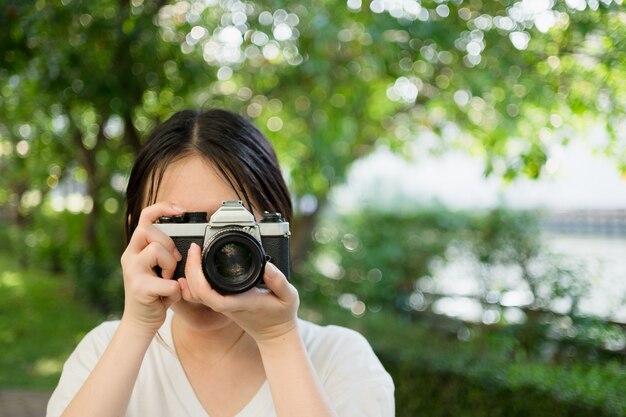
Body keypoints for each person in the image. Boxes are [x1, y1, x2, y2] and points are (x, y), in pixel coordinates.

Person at [46, 109, 394, 417]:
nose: (208, 258)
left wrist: (278, 337)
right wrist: (137, 327)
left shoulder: (341, 360)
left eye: (230, 233)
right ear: (137, 232)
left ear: (276, 231)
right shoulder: (104, 351)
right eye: (184, 227)